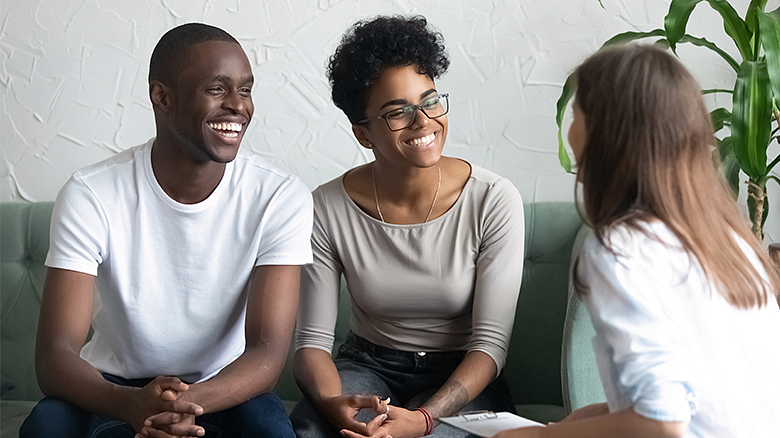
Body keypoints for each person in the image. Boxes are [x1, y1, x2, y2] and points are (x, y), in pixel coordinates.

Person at [19, 23, 313, 438]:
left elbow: (267, 351)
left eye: (245, 90)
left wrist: (182, 405)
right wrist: (132, 405)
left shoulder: (279, 195)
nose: (238, 106)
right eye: (218, 89)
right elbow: (55, 356)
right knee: (45, 428)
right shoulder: (92, 193)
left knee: (272, 433)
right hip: (113, 388)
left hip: (227, 388)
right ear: (162, 96)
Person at [494, 45, 780, 438]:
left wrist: (541, 436)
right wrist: (591, 417)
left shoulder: (620, 250)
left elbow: (663, 423)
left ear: (608, 131)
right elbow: (705, 395)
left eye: (577, 111)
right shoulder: (731, 241)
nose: (569, 126)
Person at [289, 15, 525, 438]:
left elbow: (490, 346)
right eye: (397, 112)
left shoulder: (492, 198)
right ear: (364, 134)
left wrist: (424, 420)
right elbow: (311, 343)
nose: (423, 122)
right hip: (366, 365)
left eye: (430, 100)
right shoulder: (327, 206)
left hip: (459, 374)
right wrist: (332, 405)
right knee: (313, 430)